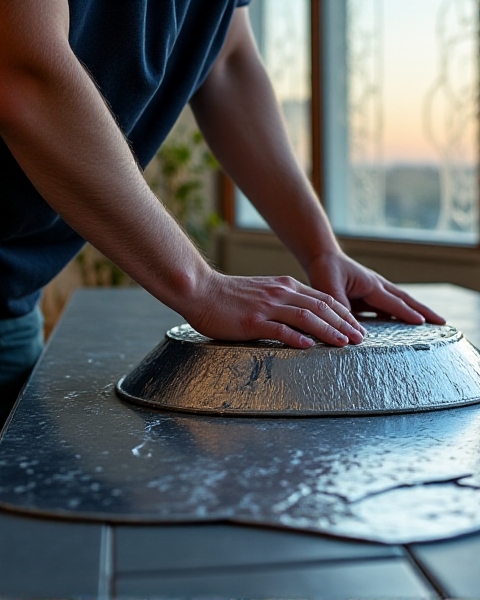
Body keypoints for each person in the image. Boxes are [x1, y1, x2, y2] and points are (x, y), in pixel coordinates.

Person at [0, 0, 445, 422]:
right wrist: (200, 287)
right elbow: (23, 73)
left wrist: (320, 250)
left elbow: (226, 61)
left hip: (14, 293)